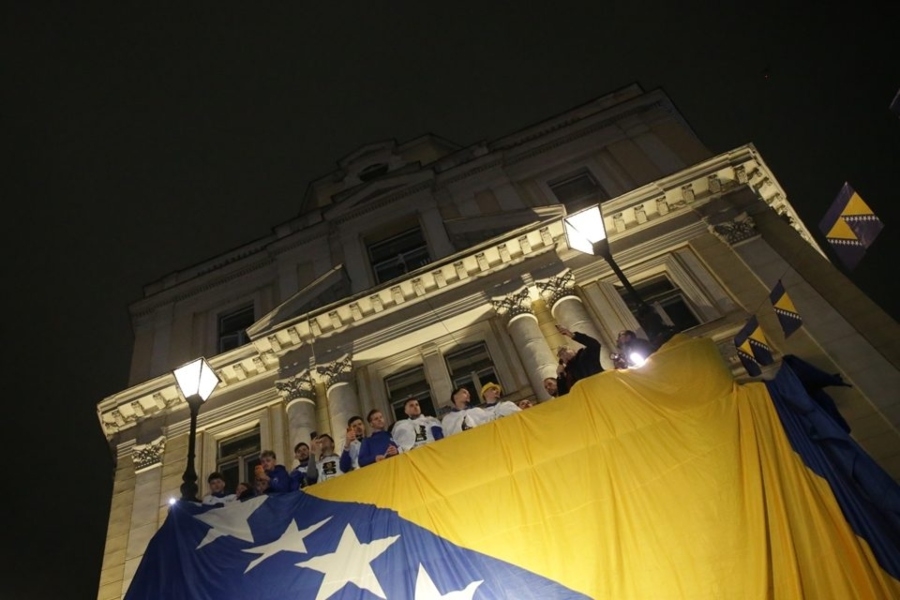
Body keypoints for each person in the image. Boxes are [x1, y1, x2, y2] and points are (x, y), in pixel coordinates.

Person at [555, 325, 603, 396]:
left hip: (601, 388)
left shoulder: (585, 355)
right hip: (586, 397)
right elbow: (564, 395)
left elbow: (595, 345)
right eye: (561, 355)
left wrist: (572, 335)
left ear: (573, 350)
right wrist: (560, 376)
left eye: (565, 350)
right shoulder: (567, 373)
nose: (564, 355)